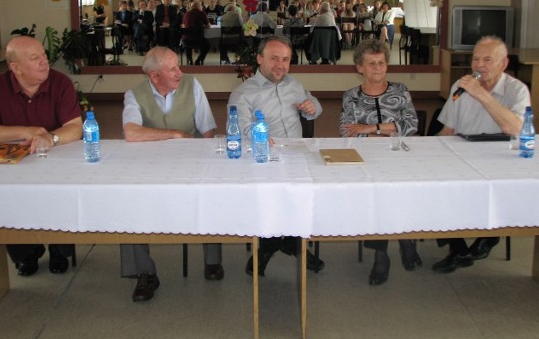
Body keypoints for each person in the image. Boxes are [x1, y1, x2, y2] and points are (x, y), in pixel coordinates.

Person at [0, 36, 83, 276]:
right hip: (14, 161)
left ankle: (59, 249)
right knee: (8, 194)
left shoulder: (60, 83)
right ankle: (26, 253)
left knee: (59, 192)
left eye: (43, 55)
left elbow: (75, 127)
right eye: (35, 58)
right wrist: (25, 131)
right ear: (16, 68)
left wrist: (49, 138)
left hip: (56, 157)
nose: (45, 62)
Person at [120, 46, 220, 302]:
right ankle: (145, 272)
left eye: (178, 66)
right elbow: (131, 132)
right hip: (150, 165)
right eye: (173, 68)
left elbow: (207, 131)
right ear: (154, 76)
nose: (180, 72)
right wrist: (174, 134)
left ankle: (212, 260)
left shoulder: (192, 86)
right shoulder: (134, 95)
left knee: (211, 191)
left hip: (192, 161)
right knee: (130, 199)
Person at [432, 36, 531, 273]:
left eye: (488, 60)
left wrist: (482, 95)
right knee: (434, 186)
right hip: (461, 155)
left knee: (499, 189)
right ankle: (459, 248)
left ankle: (492, 234)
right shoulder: (460, 86)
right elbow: (448, 129)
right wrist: (426, 154)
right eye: (476, 59)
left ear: (503, 64)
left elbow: (515, 129)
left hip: (501, 160)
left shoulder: (517, 90)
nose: (479, 65)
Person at [228, 36, 325, 276]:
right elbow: (241, 129)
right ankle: (272, 245)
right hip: (261, 158)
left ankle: (287, 242)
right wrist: (260, 136)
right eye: (273, 59)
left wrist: (312, 107)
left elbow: (314, 104)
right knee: (269, 200)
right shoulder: (243, 93)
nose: (280, 65)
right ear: (260, 59)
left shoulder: (294, 85)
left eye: (285, 59)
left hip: (296, 154)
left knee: (302, 197)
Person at [339, 39, 422, 285]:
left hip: (400, 157)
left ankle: (405, 239)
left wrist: (370, 127)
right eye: (371, 64)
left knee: (401, 189)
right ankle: (382, 253)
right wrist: (386, 130)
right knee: (375, 194)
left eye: (382, 63)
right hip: (366, 159)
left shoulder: (400, 91)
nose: (377, 68)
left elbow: (411, 126)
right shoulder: (351, 97)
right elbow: (346, 132)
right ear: (359, 68)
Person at [181, 0, 211, 65]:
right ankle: (199, 60)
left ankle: (189, 60)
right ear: (198, 6)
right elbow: (208, 26)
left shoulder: (186, 13)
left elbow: (183, 25)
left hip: (186, 39)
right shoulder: (201, 13)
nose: (202, 7)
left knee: (188, 45)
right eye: (201, 6)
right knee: (207, 46)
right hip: (198, 39)